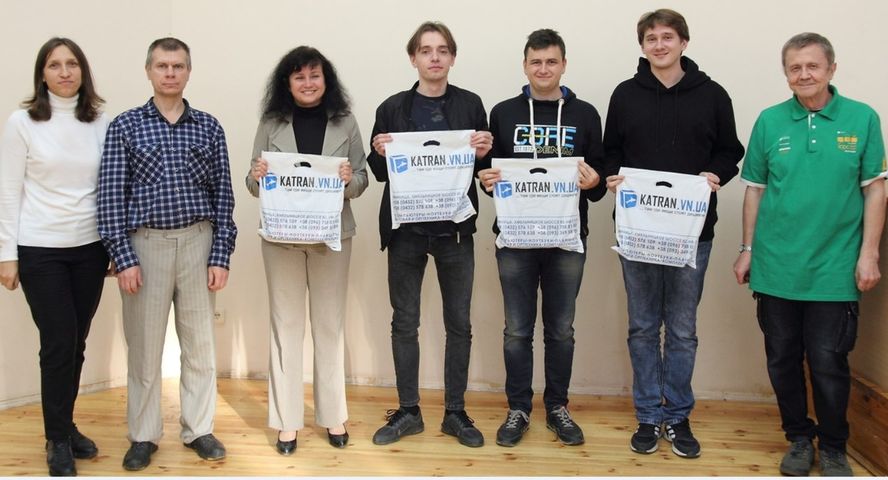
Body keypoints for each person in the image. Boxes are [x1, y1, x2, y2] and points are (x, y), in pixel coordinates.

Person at [733, 32, 886, 476]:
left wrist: (869, 254)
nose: (804, 75)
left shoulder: (862, 118)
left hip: (835, 267)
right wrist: (747, 249)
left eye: (812, 66)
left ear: (831, 69)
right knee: (782, 359)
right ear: (786, 73)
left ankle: (834, 446)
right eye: (795, 68)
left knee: (827, 362)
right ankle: (799, 438)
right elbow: (755, 191)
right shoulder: (770, 121)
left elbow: (876, 189)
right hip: (776, 266)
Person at [603, 9, 744, 458]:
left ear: (684, 42)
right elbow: (610, 151)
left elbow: (730, 151)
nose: (659, 45)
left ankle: (678, 415)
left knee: (682, 330)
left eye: (667, 37)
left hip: (693, 233)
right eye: (651, 38)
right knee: (643, 327)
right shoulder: (625, 95)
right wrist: (613, 174)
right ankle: (648, 414)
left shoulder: (713, 94)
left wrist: (715, 174)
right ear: (642, 46)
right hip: (638, 231)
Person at [96, 37, 237, 471]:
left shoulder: (209, 127)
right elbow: (110, 198)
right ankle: (143, 435)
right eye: (162, 66)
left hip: (198, 243)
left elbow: (223, 195)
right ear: (149, 71)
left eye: (178, 66)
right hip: (145, 248)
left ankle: (199, 429)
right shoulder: (125, 126)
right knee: (143, 350)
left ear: (188, 71)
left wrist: (221, 254)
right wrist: (123, 257)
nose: (170, 73)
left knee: (200, 347)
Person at [366, 21, 493, 448]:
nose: (434, 57)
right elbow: (380, 172)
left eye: (442, 50)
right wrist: (378, 152)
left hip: (454, 230)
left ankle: (455, 413)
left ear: (452, 57)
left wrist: (485, 152)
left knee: (459, 323)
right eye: (425, 50)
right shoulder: (391, 108)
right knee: (404, 322)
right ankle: (409, 411)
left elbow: (482, 170)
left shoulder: (471, 105)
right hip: (406, 230)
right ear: (413, 58)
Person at [477, 28, 606, 448]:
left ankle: (557, 407)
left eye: (551, 61)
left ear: (564, 64)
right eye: (536, 61)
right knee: (517, 330)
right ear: (525, 65)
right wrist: (486, 181)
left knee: (561, 330)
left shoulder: (585, 114)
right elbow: (491, 177)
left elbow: (599, 178)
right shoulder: (503, 113)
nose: (544, 68)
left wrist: (594, 181)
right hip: (515, 239)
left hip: (567, 239)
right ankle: (518, 408)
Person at [246, 46, 368, 454]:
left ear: (325, 80)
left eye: (315, 75)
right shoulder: (271, 122)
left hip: (332, 238)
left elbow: (362, 179)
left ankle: (333, 415)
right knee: (286, 327)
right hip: (280, 239)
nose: (308, 83)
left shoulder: (345, 121)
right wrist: (257, 175)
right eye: (299, 76)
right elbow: (253, 183)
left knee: (330, 326)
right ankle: (286, 422)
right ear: (287, 83)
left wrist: (349, 179)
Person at [0, 37, 109, 477]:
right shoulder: (22, 122)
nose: (64, 72)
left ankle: (65, 425)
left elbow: (110, 188)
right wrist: (6, 255)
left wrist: (114, 246)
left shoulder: (101, 121)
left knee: (76, 343)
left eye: (72, 64)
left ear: (83, 71)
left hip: (90, 250)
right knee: (59, 342)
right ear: (42, 74)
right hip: (40, 249)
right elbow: (9, 191)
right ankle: (57, 440)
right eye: (54, 65)